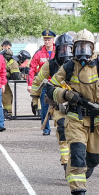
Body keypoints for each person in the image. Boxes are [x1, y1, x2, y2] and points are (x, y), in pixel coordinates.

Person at [43, 29, 99, 195]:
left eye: (86, 46)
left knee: (94, 159)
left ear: (93, 47)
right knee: (77, 153)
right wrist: (66, 95)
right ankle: (79, 191)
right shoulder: (69, 67)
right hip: (76, 118)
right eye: (79, 47)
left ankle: (83, 173)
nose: (82, 51)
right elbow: (50, 89)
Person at [31, 33, 74, 170]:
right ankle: (65, 162)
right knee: (62, 128)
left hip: (77, 104)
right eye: (62, 49)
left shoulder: (79, 64)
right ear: (57, 50)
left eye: (68, 49)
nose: (65, 53)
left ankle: (80, 161)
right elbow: (38, 80)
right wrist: (34, 98)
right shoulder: (50, 64)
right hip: (59, 105)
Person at [29, 30, 57, 134]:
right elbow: (32, 68)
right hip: (45, 84)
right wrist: (30, 84)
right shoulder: (39, 53)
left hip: (58, 84)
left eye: (49, 39)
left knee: (61, 107)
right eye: (45, 39)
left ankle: (61, 128)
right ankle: (46, 129)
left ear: (53, 40)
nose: (47, 41)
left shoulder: (59, 51)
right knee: (44, 107)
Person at [1, 47, 21, 119]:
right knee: (7, 95)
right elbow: (16, 76)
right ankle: (7, 112)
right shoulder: (12, 62)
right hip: (0, 81)